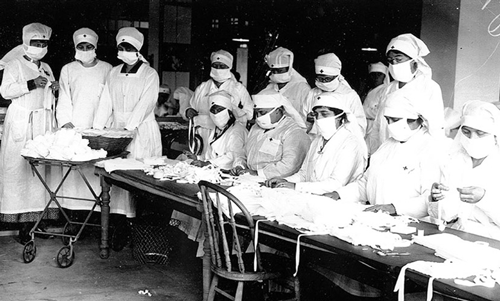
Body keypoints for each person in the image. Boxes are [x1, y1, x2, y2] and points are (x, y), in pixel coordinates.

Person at [326, 90, 445, 219]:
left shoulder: (431, 148)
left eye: (395, 120)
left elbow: (430, 198)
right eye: (388, 120)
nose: (390, 125)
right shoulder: (388, 144)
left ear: (414, 119)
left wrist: (393, 208)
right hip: (379, 219)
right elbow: (366, 183)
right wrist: (339, 194)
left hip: (411, 223)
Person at [93, 27, 162, 217]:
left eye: (129, 48)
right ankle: (120, 220)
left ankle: (138, 222)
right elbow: (106, 101)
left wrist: (128, 128)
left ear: (138, 50)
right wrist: (98, 129)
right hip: (117, 130)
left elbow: (146, 103)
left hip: (141, 129)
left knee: (138, 175)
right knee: (117, 176)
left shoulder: (149, 74)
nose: (124, 51)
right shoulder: (114, 73)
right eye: (121, 47)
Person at [0, 23, 59, 243]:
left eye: (44, 43)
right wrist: (31, 84)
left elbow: (49, 93)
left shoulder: (47, 66)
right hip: (22, 123)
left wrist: (54, 89)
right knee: (20, 173)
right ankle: (22, 227)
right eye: (36, 43)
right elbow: (5, 91)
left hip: (42, 124)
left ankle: (37, 222)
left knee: (40, 176)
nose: (40, 47)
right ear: (26, 44)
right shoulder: (15, 64)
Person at [54, 27, 113, 214]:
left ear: (95, 47)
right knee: (74, 175)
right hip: (74, 127)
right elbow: (64, 97)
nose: (85, 49)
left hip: (98, 127)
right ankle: (73, 214)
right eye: (81, 46)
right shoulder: (68, 69)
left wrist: (102, 124)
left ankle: (95, 215)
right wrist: (66, 122)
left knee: (95, 174)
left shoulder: (107, 69)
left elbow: (108, 99)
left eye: (88, 46)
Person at [265, 92, 367, 195]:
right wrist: (285, 181)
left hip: (335, 202)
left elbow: (336, 184)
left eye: (324, 114)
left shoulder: (351, 144)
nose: (319, 119)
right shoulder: (317, 140)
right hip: (310, 196)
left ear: (339, 116)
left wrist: (296, 187)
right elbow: (303, 174)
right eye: (316, 115)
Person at [429, 100, 500, 240]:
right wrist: (436, 199)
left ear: (495, 134)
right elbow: (442, 216)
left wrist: (484, 199)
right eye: (466, 132)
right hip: (453, 234)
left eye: (480, 133)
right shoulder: (453, 159)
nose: (472, 139)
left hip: (489, 241)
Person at [365, 33, 445, 155]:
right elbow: (378, 123)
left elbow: (436, 126)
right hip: (385, 149)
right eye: (391, 61)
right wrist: (373, 152)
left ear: (414, 62)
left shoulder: (429, 87)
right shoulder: (388, 89)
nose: (394, 64)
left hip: (413, 153)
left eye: (398, 59)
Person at [231, 89, 311, 179]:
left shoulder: (294, 132)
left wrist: (258, 173)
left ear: (278, 110)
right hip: (249, 178)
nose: (258, 117)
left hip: (275, 182)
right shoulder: (255, 128)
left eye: (262, 112)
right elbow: (244, 152)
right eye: (256, 113)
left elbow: (290, 165)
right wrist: (239, 165)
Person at [185, 50, 253, 148]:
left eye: (222, 66)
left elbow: (249, 114)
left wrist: (231, 113)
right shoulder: (202, 87)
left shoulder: (238, 88)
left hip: (227, 135)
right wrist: (188, 111)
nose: (218, 69)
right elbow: (191, 107)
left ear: (229, 67)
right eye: (215, 66)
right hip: (202, 134)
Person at [302, 53, 366, 134]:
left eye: (327, 79)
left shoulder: (349, 95)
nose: (323, 82)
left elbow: (360, 126)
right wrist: (309, 121)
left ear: (337, 76)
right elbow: (301, 123)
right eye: (320, 79)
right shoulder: (312, 94)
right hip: (315, 141)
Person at [190, 90, 247, 170]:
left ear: (229, 111)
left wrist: (208, 163)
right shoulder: (215, 129)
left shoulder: (237, 130)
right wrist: (198, 158)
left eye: (219, 110)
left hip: (227, 172)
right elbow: (210, 153)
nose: (216, 114)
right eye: (213, 111)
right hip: (212, 170)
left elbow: (234, 155)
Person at [261, 47, 311, 122]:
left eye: (280, 70)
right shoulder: (270, 87)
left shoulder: (302, 88)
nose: (276, 74)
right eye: (274, 71)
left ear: (289, 69)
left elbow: (307, 115)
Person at [362, 62, 389, 133]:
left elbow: (380, 112)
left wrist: (361, 111)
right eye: (373, 74)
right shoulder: (369, 90)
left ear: (384, 76)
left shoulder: (385, 91)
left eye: (379, 74)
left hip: (375, 129)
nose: (376, 77)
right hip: (366, 127)